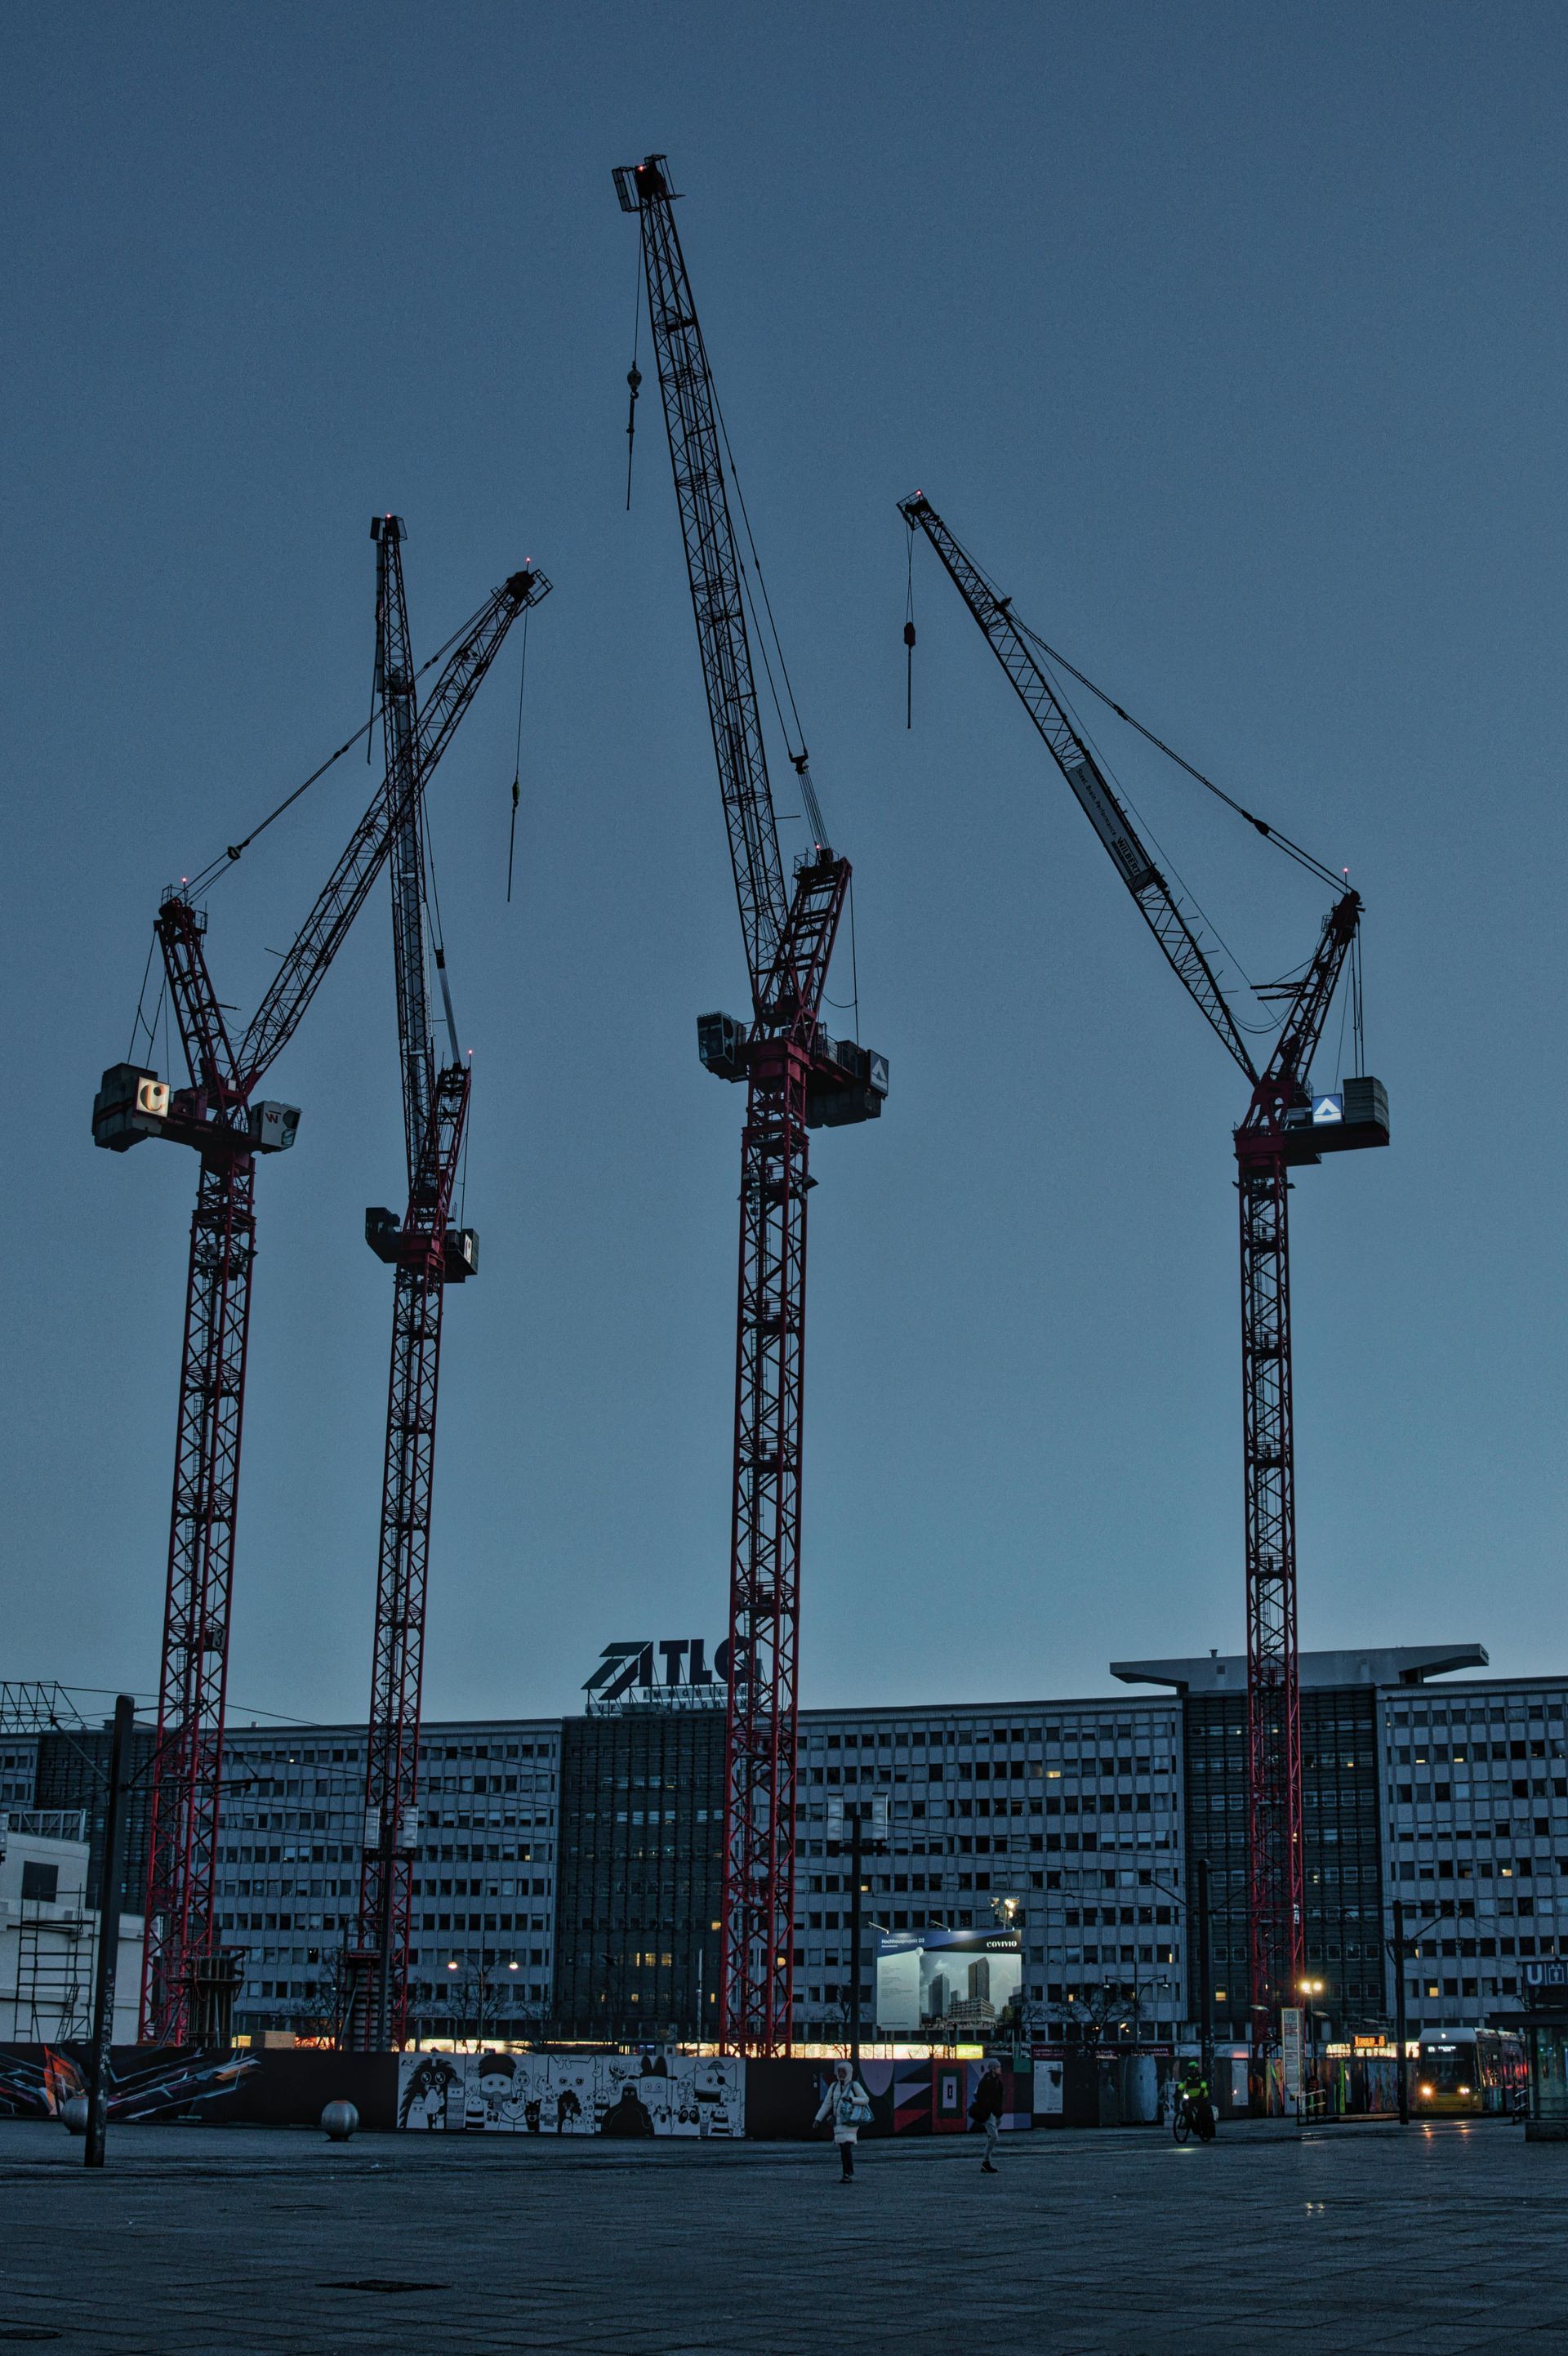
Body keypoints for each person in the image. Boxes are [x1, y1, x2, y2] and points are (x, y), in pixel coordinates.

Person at [814, 2059, 871, 2180]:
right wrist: (818, 2119)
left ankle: (848, 2173)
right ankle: (847, 2173)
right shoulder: (834, 2086)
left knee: (846, 2146)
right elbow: (827, 2104)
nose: (840, 2074)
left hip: (850, 2122)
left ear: (848, 2072)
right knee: (843, 2148)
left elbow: (866, 2099)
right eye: (839, 2072)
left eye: (843, 2072)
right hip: (838, 2123)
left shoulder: (854, 2085)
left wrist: (852, 2100)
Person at [970, 2061, 1004, 2172]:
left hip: (992, 2114)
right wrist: (992, 2111)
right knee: (993, 2137)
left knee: (993, 2137)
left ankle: (986, 2163)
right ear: (993, 2069)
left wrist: (998, 2115)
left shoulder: (996, 2082)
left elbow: (997, 2101)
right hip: (989, 2113)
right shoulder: (989, 2082)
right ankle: (986, 2162)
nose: (1000, 2069)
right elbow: (985, 2098)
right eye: (998, 2067)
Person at [1179, 2060, 1216, 2144]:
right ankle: (1188, 2121)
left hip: (1201, 2097)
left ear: (1196, 2069)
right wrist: (1177, 2092)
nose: (1192, 2071)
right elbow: (1182, 2085)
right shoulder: (1187, 2077)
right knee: (1184, 2105)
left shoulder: (1200, 2077)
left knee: (1202, 2113)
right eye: (1190, 2069)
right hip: (1191, 2097)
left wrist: (1201, 2094)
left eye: (1193, 2069)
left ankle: (1202, 2128)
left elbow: (1203, 2086)